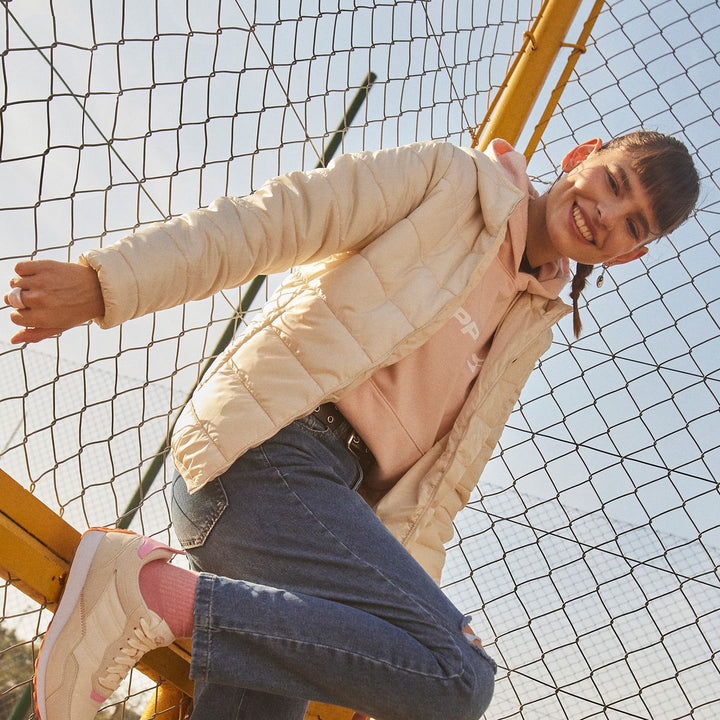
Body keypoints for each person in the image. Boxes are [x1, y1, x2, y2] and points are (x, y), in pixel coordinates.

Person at [6, 131, 698, 720]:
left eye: (634, 223)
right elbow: (275, 220)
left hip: (326, 520)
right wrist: (109, 284)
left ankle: (168, 600)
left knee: (421, 670)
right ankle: (149, 592)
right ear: (581, 156)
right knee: (462, 677)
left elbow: (440, 495)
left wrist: (383, 658)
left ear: (631, 255)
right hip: (262, 454)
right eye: (611, 181)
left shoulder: (530, 324)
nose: (606, 213)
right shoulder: (450, 181)